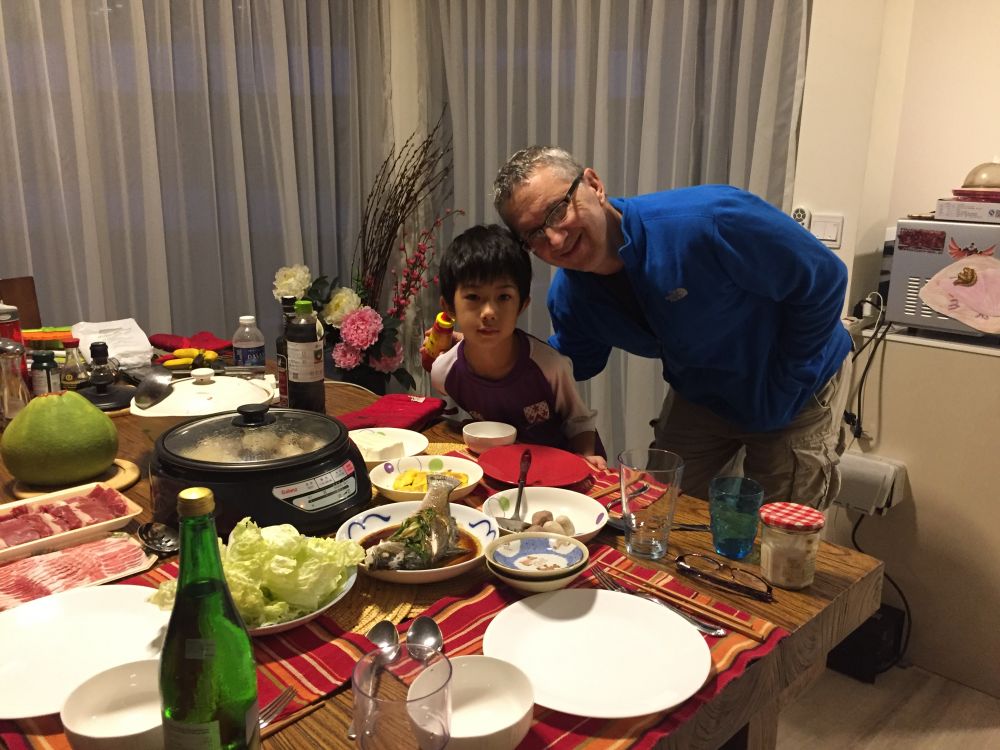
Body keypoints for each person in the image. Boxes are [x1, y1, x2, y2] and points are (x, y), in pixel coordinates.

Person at [492, 146, 853, 509]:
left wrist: (789, 381)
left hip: (795, 386)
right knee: (656, 513)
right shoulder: (571, 297)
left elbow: (825, 280)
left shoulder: (711, 220)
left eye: (558, 210)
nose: (554, 239)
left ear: (594, 185)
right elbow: (572, 363)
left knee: (781, 530)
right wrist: (490, 353)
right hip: (702, 392)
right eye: (534, 234)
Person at [430, 223, 606, 469]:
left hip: (558, 473)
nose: (489, 312)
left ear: (522, 305)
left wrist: (585, 458)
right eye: (473, 297)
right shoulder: (444, 372)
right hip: (501, 471)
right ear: (449, 307)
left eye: (504, 297)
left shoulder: (550, 366)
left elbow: (579, 422)